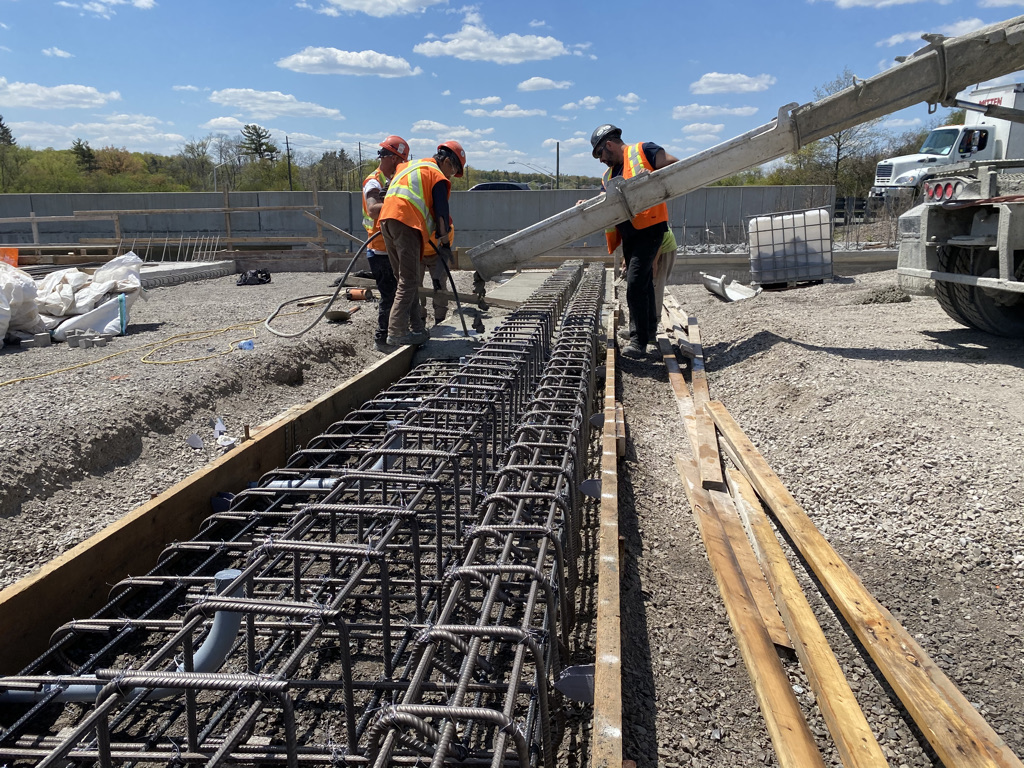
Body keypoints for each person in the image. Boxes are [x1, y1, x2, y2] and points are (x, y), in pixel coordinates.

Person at [591, 124, 678, 358]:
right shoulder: (608, 175)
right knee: (644, 281)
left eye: (600, 154)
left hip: (650, 229)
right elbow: (604, 199)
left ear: (608, 145)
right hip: (629, 234)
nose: (600, 160)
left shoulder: (643, 151)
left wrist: (647, 183)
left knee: (636, 282)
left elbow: (674, 165)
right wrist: (586, 204)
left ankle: (639, 341)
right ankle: (647, 331)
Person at [378, 140, 466, 347]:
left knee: (404, 280)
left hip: (386, 221)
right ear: (445, 161)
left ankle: (417, 327)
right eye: (453, 169)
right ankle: (397, 332)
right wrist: (445, 245)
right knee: (409, 281)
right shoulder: (436, 175)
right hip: (406, 222)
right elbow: (442, 214)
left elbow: (387, 188)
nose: (451, 175)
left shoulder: (408, 166)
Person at [361, 135, 409, 352]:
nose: (401, 166)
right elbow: (372, 209)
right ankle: (383, 340)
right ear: (390, 157)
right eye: (400, 161)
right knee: (390, 296)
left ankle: (397, 334)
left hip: (391, 247)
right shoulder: (374, 181)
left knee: (400, 293)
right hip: (379, 249)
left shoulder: (393, 180)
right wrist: (400, 204)